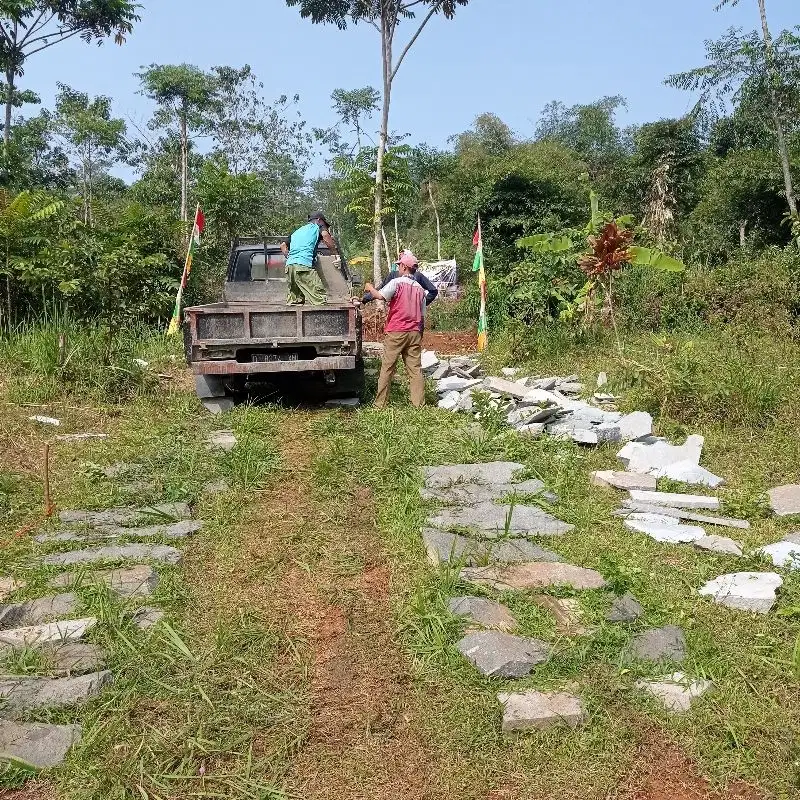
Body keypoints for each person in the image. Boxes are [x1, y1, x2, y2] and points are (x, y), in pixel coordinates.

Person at [362, 258, 427, 409]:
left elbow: (380, 296)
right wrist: (419, 334)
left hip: (397, 331)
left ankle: (380, 405)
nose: (398, 268)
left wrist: (370, 287)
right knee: (415, 370)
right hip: (414, 332)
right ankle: (419, 405)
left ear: (404, 267)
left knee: (387, 368)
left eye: (399, 266)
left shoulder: (396, 282)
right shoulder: (420, 290)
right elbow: (422, 315)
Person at [281, 212, 338, 305]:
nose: (325, 226)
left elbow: (283, 246)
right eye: (324, 223)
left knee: (295, 302)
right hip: (303, 267)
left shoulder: (298, 231)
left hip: (290, 267)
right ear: (319, 220)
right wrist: (336, 255)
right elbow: (325, 236)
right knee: (319, 300)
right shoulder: (318, 226)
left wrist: (292, 258)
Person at [360, 250, 438, 310]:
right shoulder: (394, 275)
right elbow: (381, 289)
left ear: (404, 265)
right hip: (412, 318)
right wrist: (364, 299)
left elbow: (380, 293)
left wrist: (366, 295)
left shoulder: (396, 279)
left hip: (399, 320)